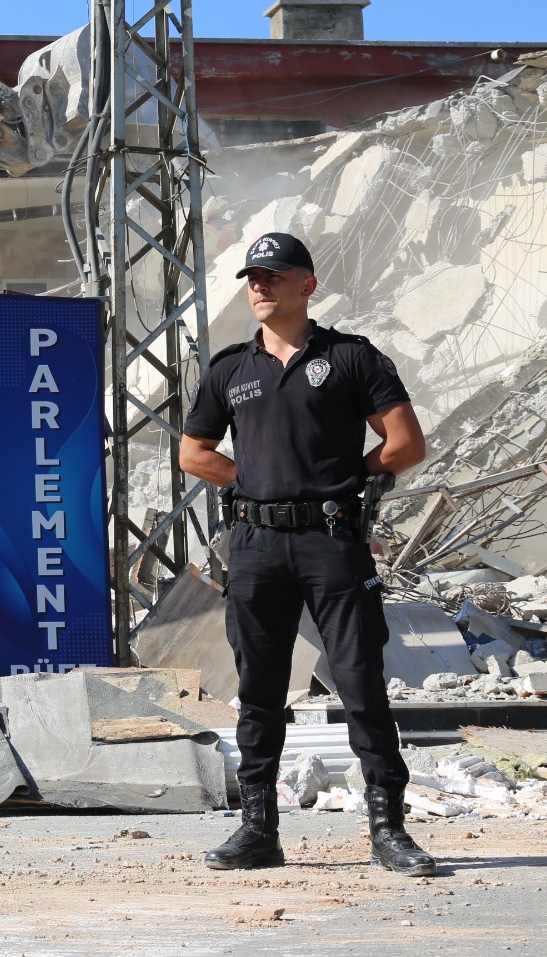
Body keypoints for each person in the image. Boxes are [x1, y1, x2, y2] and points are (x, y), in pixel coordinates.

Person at [180, 232, 436, 877]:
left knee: (359, 683)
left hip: (332, 541)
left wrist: (352, 480)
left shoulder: (350, 358)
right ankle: (258, 831)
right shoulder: (230, 369)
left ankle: (388, 831)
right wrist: (252, 484)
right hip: (257, 546)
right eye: (252, 277)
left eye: (273, 276)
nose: (258, 286)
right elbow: (193, 453)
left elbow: (405, 444)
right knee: (259, 691)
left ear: (307, 286)